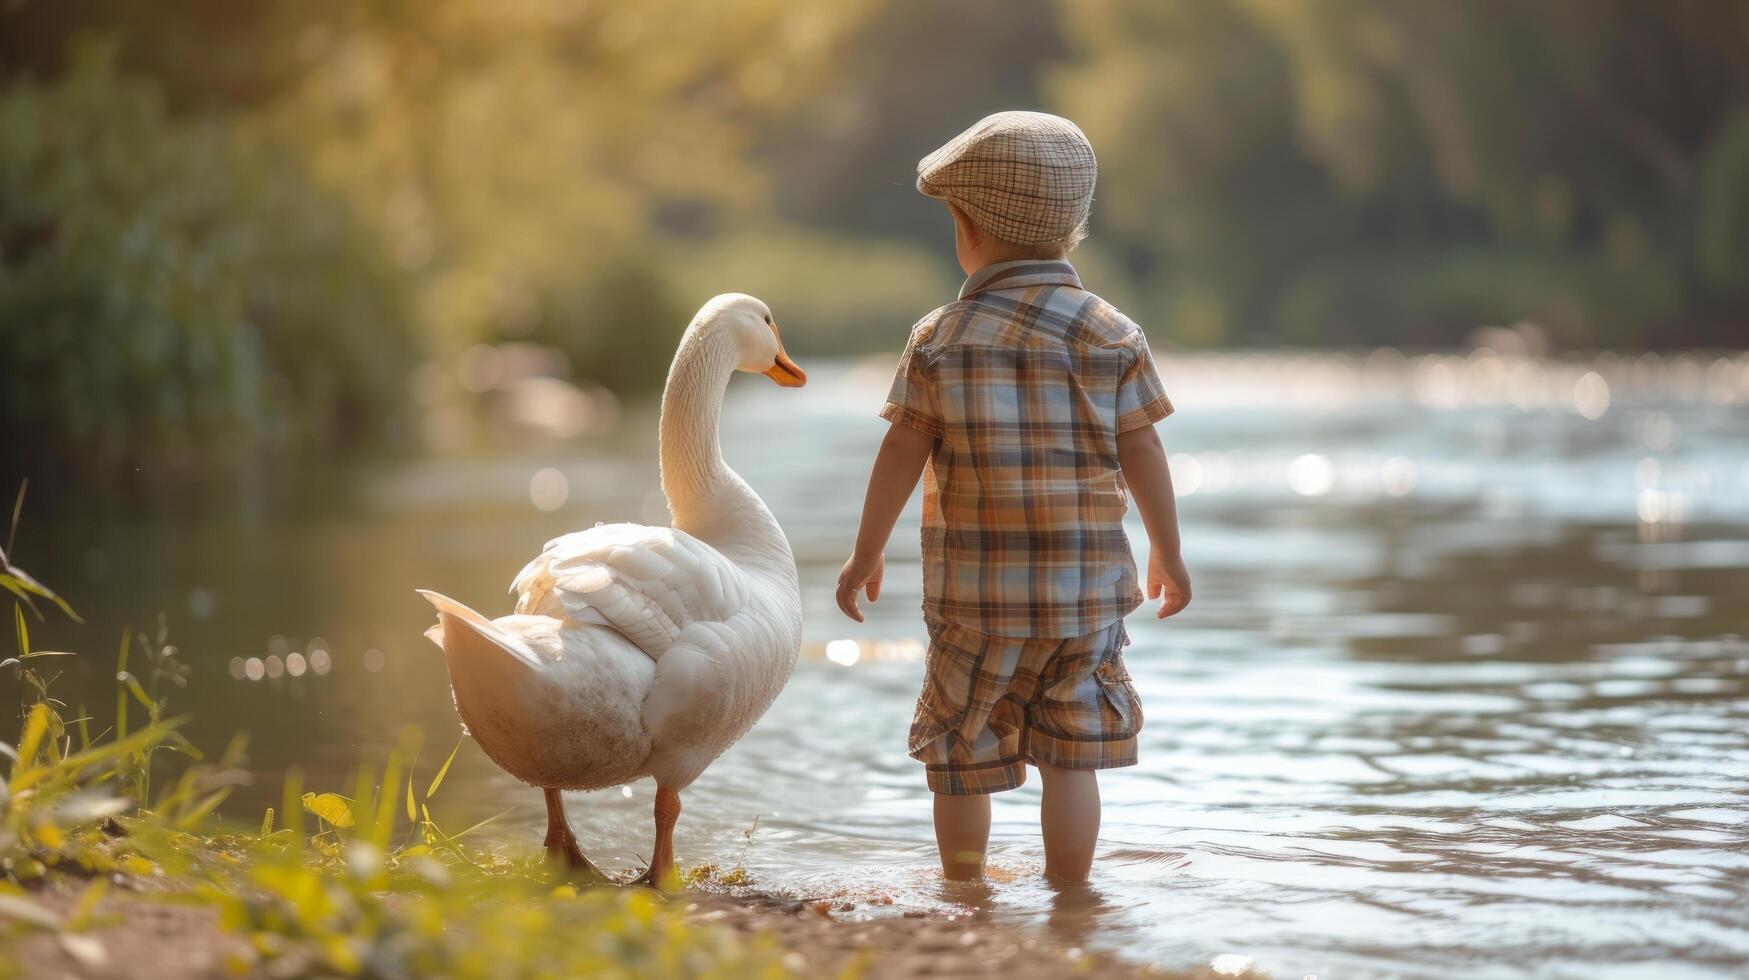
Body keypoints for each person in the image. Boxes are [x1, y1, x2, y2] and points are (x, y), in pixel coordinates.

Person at [836, 111, 1191, 884]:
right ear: (1072, 231)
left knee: (960, 751)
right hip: (1082, 600)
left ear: (967, 228)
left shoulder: (939, 337)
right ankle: (1071, 895)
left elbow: (901, 446)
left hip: (974, 604)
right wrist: (1167, 548)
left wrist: (866, 551)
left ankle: (963, 894)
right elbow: (1143, 447)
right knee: (1072, 759)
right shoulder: (1112, 334)